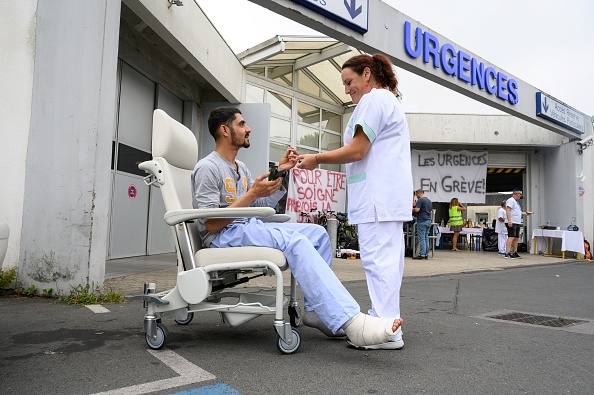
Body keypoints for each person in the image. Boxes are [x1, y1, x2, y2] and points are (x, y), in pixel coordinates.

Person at [192, 106, 402, 350]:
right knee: (296, 243)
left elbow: (259, 203)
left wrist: (281, 171)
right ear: (225, 130)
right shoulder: (208, 168)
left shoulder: (241, 168)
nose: (248, 129)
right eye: (241, 124)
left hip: (247, 226)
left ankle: (315, 312)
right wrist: (251, 194)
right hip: (223, 236)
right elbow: (210, 223)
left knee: (318, 234)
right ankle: (352, 322)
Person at [296, 53, 413, 350]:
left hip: (377, 197)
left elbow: (358, 149)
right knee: (385, 262)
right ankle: (386, 321)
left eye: (349, 82)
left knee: (378, 263)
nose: (347, 89)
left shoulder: (374, 101)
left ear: (367, 74)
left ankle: (386, 330)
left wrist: (316, 159)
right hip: (381, 196)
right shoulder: (386, 101)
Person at [505, 188, 533, 259]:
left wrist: (525, 213)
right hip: (512, 221)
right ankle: (507, 252)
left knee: (516, 237)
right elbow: (508, 210)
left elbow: (517, 212)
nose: (520, 196)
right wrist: (509, 220)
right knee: (511, 236)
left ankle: (515, 252)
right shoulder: (511, 200)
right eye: (519, 194)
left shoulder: (516, 202)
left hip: (517, 221)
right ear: (515, 193)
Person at [412, 189, 432, 260]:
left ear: (418, 193)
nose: (416, 196)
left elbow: (417, 210)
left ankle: (422, 254)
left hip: (422, 220)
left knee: (422, 238)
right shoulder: (429, 201)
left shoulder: (420, 200)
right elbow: (430, 211)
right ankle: (426, 254)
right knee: (426, 238)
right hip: (428, 220)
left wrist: (411, 209)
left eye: (416, 194)